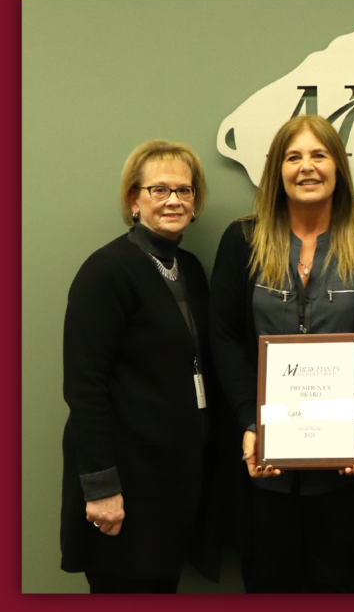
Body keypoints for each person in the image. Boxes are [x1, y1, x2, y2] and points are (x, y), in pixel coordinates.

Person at [209, 114, 354, 593]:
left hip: (344, 466)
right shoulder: (244, 240)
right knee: (267, 581)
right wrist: (249, 423)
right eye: (293, 157)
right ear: (278, 170)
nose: (306, 167)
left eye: (319, 155)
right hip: (264, 462)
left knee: (341, 580)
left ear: (338, 167)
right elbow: (225, 337)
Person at [60, 140, 217, 593]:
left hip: (171, 481)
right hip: (123, 486)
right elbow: (84, 387)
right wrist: (100, 487)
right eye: (159, 189)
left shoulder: (188, 268)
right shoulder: (106, 271)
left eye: (184, 190)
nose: (174, 200)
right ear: (134, 200)